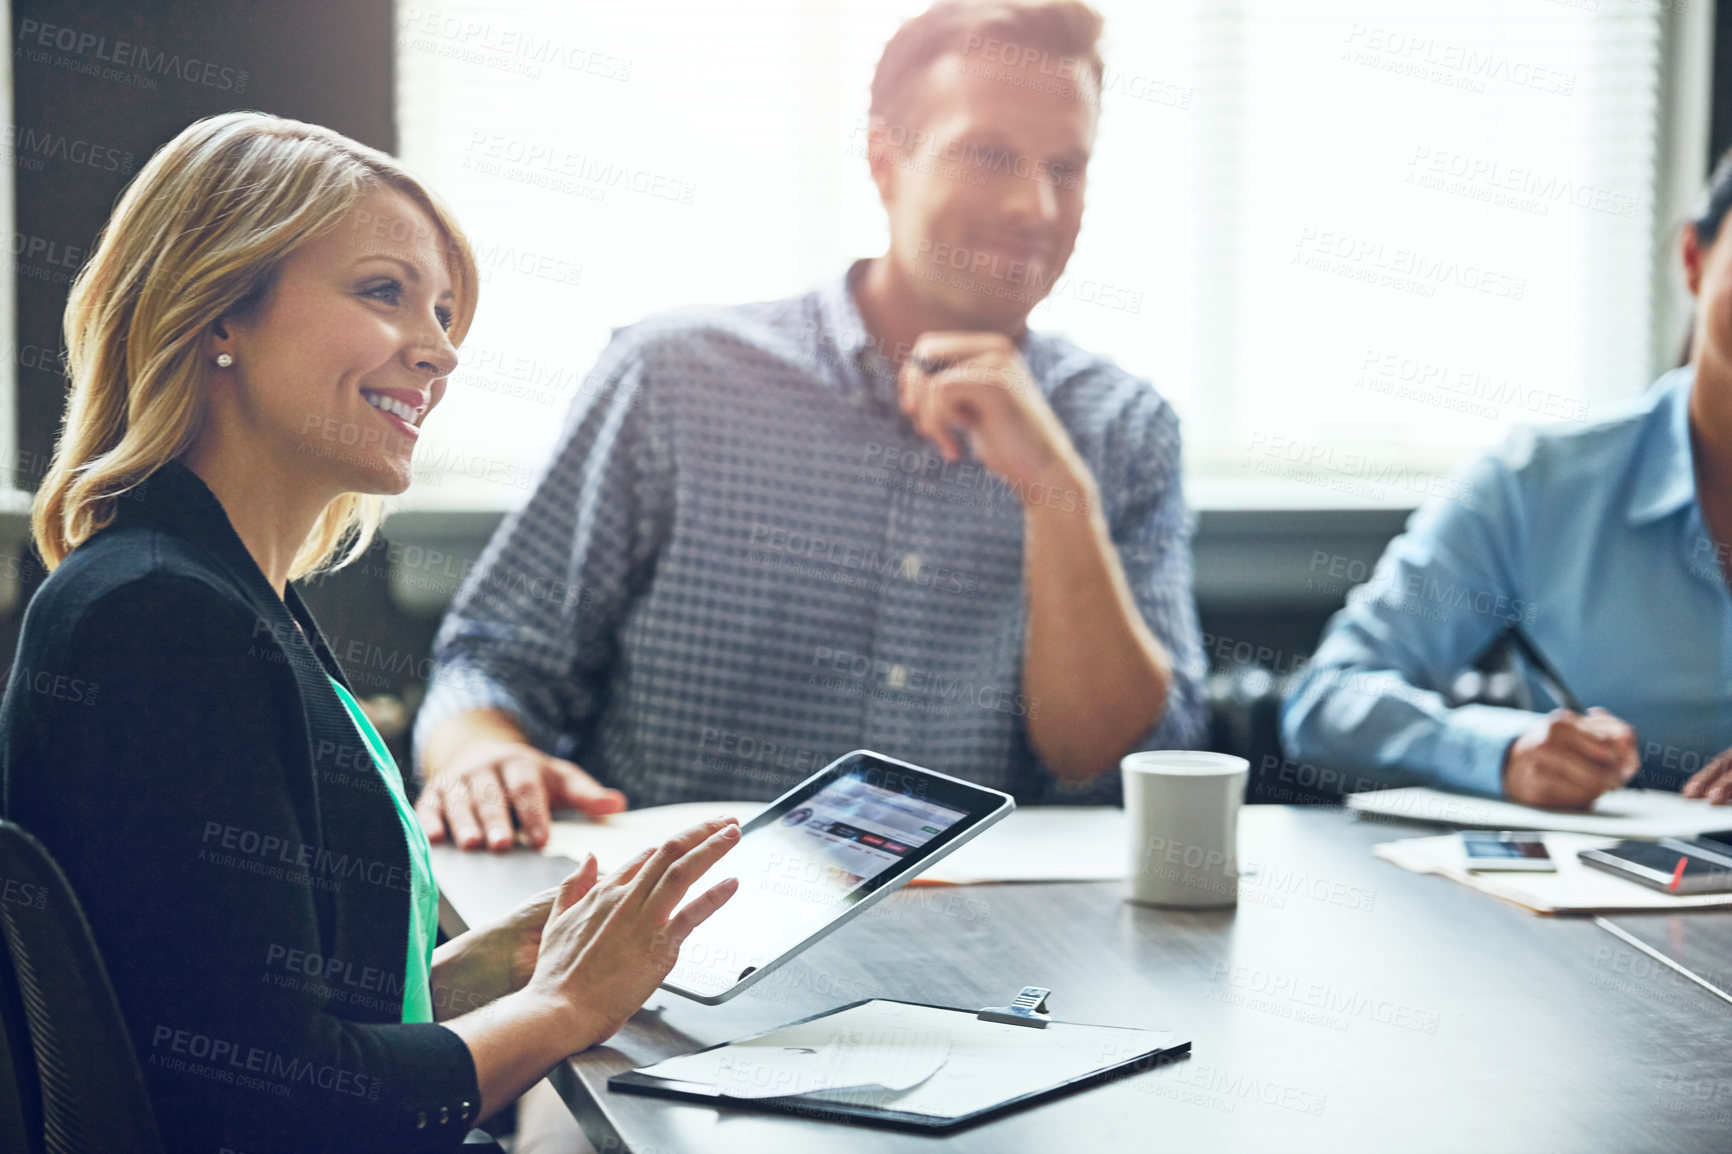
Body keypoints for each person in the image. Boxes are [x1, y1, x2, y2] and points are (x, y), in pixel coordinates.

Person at [0, 112, 740, 1153]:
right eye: (383, 292)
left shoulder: (219, 591)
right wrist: (567, 1007)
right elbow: (271, 1101)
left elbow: (225, 1016)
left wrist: (487, 974)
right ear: (218, 311)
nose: (438, 352)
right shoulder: (159, 619)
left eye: (442, 311)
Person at [414, 0, 1208, 852]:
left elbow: (1118, 762)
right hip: (677, 934)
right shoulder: (676, 378)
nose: (1034, 205)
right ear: (884, 160)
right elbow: (494, 661)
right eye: (989, 155)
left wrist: (1057, 493)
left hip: (979, 952)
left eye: (1067, 168)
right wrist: (482, 757)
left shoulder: (1122, 427)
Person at [1280, 151, 1732, 811]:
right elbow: (1327, 702)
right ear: (1693, 260)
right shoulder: (1539, 486)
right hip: (1587, 898)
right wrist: (1501, 754)